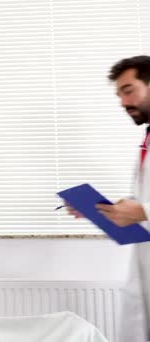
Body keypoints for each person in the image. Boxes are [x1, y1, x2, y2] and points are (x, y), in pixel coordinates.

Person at [67, 56, 150, 341]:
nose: (123, 102)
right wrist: (104, 209)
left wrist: (143, 212)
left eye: (129, 90)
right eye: (119, 94)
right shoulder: (146, 140)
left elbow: (144, 209)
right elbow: (142, 203)